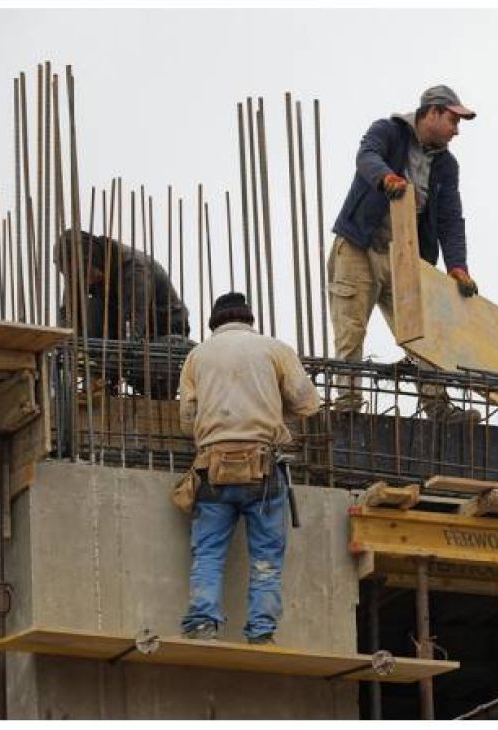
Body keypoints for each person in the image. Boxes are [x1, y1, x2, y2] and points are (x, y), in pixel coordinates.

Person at [328, 84, 481, 422]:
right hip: (359, 247)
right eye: (453, 121)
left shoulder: (446, 165)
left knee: (423, 333)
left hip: (404, 256)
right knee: (351, 330)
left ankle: (438, 409)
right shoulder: (388, 131)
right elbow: (366, 157)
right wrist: (386, 178)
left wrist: (457, 265)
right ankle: (349, 408)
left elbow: (450, 218)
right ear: (433, 112)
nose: (457, 131)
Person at [178, 292, 321, 644]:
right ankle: (261, 633)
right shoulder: (274, 349)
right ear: (249, 319)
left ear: (214, 323)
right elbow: (307, 404)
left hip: (213, 469)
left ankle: (202, 625)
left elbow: (186, 420)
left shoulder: (197, 356)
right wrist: (271, 406)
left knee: (208, 552)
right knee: (266, 558)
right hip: (262, 468)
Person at [54, 229, 190, 395]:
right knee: (89, 309)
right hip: (118, 329)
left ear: (91, 260)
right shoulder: (80, 274)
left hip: (160, 334)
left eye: (84, 273)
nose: (83, 280)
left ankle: (110, 377)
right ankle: (103, 376)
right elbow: (67, 318)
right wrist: (67, 349)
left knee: (142, 365)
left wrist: (104, 371)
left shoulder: (134, 269)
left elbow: (132, 331)